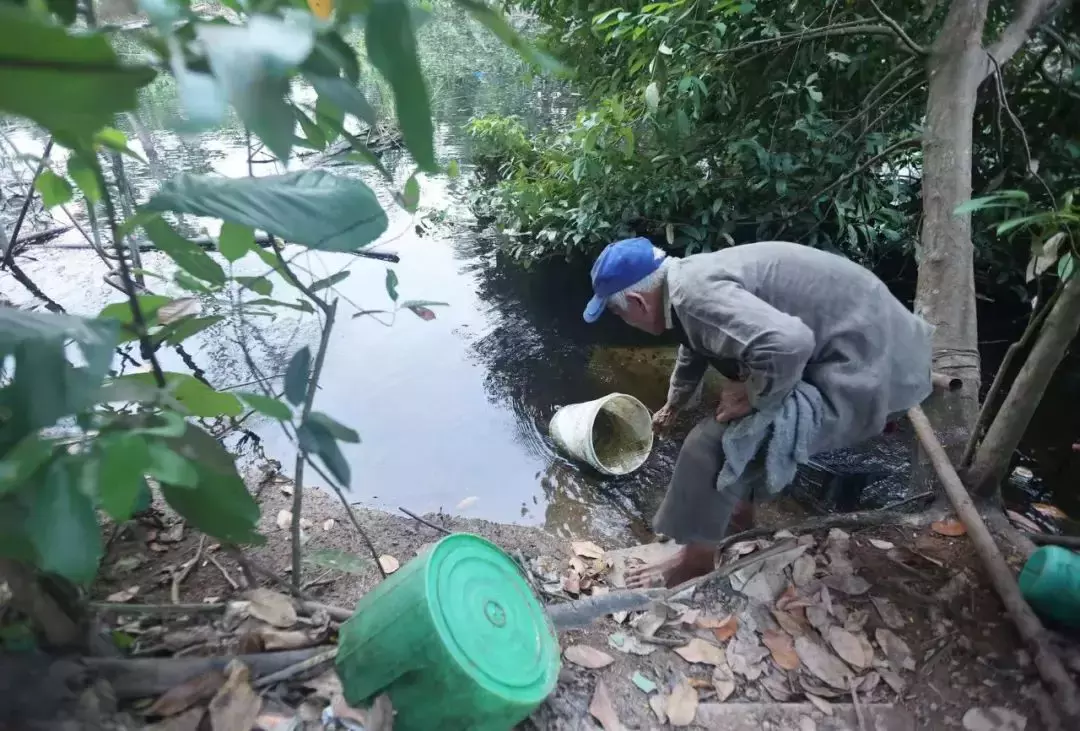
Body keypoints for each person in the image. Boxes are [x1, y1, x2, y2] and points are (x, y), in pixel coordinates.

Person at [583, 238, 934, 588]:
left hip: (873, 371)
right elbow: (696, 341)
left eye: (617, 313)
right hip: (879, 346)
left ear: (636, 301)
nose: (622, 321)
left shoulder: (694, 297)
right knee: (739, 412)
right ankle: (738, 522)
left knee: (708, 445)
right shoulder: (685, 282)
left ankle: (694, 562)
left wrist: (753, 395)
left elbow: (790, 343)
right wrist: (676, 401)